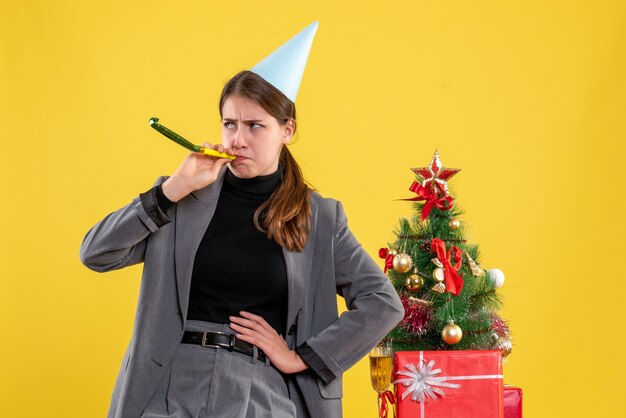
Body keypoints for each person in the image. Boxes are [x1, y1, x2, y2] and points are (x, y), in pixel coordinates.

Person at [80, 22, 404, 418]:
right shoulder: (182, 196)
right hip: (166, 386)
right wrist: (171, 190)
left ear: (287, 130)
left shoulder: (320, 218)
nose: (237, 140)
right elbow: (96, 254)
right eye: (230, 124)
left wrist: (303, 357)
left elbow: (383, 302)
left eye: (255, 126)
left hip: (262, 394)